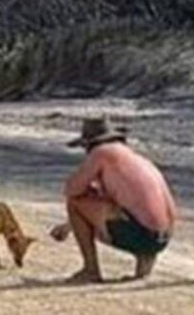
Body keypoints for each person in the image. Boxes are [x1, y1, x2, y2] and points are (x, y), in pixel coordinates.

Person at [50, 117, 178, 283]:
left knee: (75, 202)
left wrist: (88, 187)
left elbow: (71, 189)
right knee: (123, 207)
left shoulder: (101, 153)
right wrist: (68, 226)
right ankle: (143, 268)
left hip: (143, 235)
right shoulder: (136, 158)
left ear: (89, 144)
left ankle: (91, 270)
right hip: (163, 237)